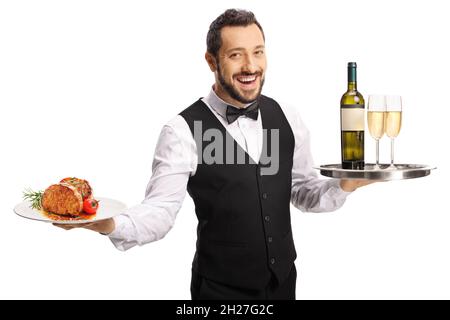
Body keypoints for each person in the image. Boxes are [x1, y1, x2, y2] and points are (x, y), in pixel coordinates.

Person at [56, 8, 372, 299]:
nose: (251, 66)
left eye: (258, 52)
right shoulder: (181, 131)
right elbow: (160, 211)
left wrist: (345, 184)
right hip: (219, 292)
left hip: (283, 284)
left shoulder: (288, 117)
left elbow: (303, 191)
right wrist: (111, 224)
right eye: (236, 55)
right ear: (211, 61)